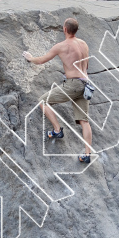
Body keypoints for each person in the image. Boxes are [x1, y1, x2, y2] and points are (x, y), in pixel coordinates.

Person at [23, 18, 93, 163]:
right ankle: (87, 154)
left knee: (43, 101)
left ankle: (57, 130)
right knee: (84, 121)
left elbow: (42, 60)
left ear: (65, 29)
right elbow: (86, 65)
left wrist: (30, 58)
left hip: (73, 85)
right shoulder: (84, 44)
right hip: (86, 85)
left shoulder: (61, 46)